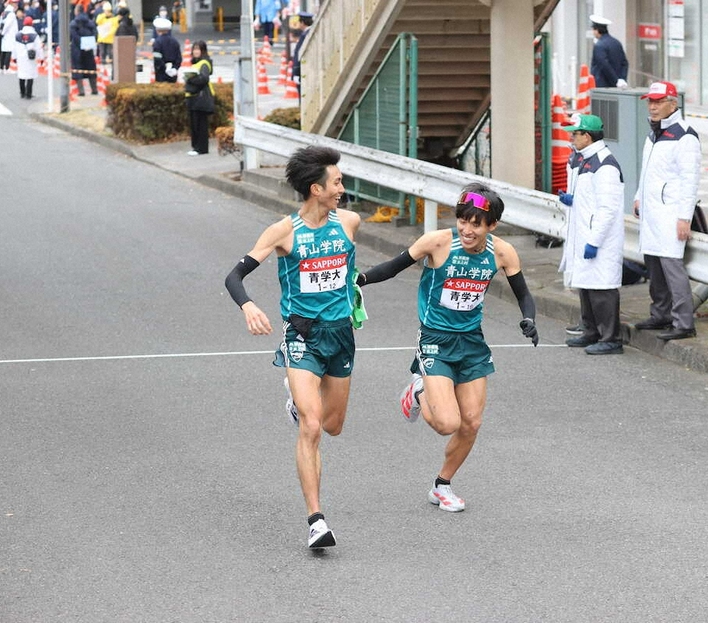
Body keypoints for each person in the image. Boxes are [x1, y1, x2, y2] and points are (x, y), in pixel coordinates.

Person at [357, 183, 539, 513]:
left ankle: (442, 485)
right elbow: (395, 265)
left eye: (476, 224)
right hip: (435, 340)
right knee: (446, 424)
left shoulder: (502, 253)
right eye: (462, 221)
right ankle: (418, 391)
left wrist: (529, 318)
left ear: (491, 226)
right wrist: (362, 281)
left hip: (471, 342)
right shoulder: (438, 243)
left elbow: (523, 294)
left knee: (471, 423)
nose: (467, 230)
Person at [224, 146, 361, 549]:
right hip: (302, 335)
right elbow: (235, 276)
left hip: (341, 334)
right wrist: (248, 305)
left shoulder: (350, 223)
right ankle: (316, 521)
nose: (342, 188)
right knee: (313, 425)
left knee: (333, 426)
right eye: (336, 182)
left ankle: (299, 404)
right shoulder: (283, 232)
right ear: (316, 188)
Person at [633, 80, 701, 340]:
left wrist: (685, 217)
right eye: (650, 101)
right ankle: (660, 314)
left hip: (671, 214)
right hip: (652, 212)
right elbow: (647, 171)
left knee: (672, 267)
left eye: (659, 101)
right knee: (653, 265)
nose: (653, 106)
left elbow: (690, 180)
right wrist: (639, 196)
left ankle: (684, 323)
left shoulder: (685, 136)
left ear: (673, 104)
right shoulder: (654, 134)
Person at [557, 114, 625, 355]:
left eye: (575, 134)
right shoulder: (586, 159)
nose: (571, 138)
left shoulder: (604, 164)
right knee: (586, 285)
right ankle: (592, 331)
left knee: (602, 289)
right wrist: (573, 200)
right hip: (585, 232)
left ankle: (611, 338)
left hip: (599, 238)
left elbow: (608, 209)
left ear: (587, 136)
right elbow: (591, 198)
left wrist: (594, 241)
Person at [183, 40, 214, 156]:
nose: (195, 52)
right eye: (194, 49)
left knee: (200, 124)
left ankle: (201, 148)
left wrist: (190, 79)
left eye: (198, 49)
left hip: (200, 97)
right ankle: (196, 147)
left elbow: (204, 78)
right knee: (195, 123)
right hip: (194, 97)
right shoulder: (196, 63)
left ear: (203, 51)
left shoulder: (204, 63)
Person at [589, 14, 628, 89]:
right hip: (617, 87)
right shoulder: (616, 43)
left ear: (597, 30)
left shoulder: (599, 45)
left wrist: (616, 81)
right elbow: (624, 63)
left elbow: (604, 65)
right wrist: (622, 79)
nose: (593, 32)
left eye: (593, 29)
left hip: (602, 86)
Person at [12, 14, 42, 98]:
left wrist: (14, 57)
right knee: (30, 75)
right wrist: (41, 57)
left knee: (21, 74)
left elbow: (14, 47)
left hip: (20, 57)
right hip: (30, 57)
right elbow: (39, 48)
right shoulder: (35, 35)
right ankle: (29, 94)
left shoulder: (18, 35)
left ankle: (22, 92)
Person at [70, 4, 97, 95]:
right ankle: (94, 89)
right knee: (91, 68)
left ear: (77, 11)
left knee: (78, 68)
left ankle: (81, 91)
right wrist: (89, 43)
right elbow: (95, 34)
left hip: (77, 49)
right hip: (89, 48)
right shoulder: (90, 22)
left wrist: (81, 43)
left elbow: (73, 36)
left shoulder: (74, 23)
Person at [151, 16, 180, 83]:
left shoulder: (157, 42)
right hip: (173, 74)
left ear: (157, 30)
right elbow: (179, 58)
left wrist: (164, 68)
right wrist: (175, 68)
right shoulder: (175, 41)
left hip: (161, 74)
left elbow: (157, 59)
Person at [290, 10, 311, 84]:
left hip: (302, 71)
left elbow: (299, 54)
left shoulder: (305, 35)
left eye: (299, 21)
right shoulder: (308, 33)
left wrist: (296, 72)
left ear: (302, 23)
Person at [0, 2, 16, 73]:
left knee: (3, 50)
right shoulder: (11, 14)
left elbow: (0, 23)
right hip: (9, 34)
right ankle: (7, 68)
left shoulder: (4, 13)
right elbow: (7, 25)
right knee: (9, 51)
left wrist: (1, 32)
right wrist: (3, 32)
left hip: (4, 34)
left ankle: (1, 67)